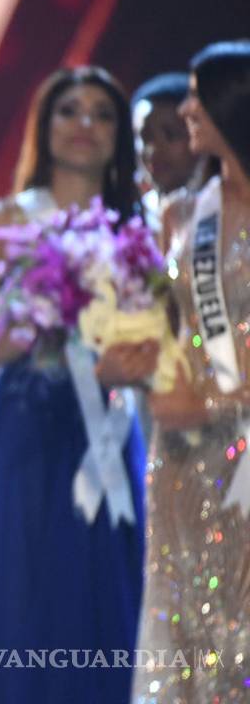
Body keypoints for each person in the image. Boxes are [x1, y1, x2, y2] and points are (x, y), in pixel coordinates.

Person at [0, 67, 151, 703]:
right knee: (15, 588)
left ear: (119, 136)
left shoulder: (136, 229)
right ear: (44, 127)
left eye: (101, 114)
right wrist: (56, 322)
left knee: (99, 589)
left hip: (105, 429)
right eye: (69, 110)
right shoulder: (8, 216)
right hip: (25, 426)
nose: (84, 125)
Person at [134, 40, 250, 702]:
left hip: (243, 444)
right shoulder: (180, 214)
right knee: (181, 622)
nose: (186, 109)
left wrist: (214, 402)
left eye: (198, 96)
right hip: (179, 457)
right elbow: (165, 334)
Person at [131, 72, 206, 223]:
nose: (153, 150)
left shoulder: (221, 209)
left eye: (171, 135)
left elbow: (244, 237)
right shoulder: (133, 218)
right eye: (144, 137)